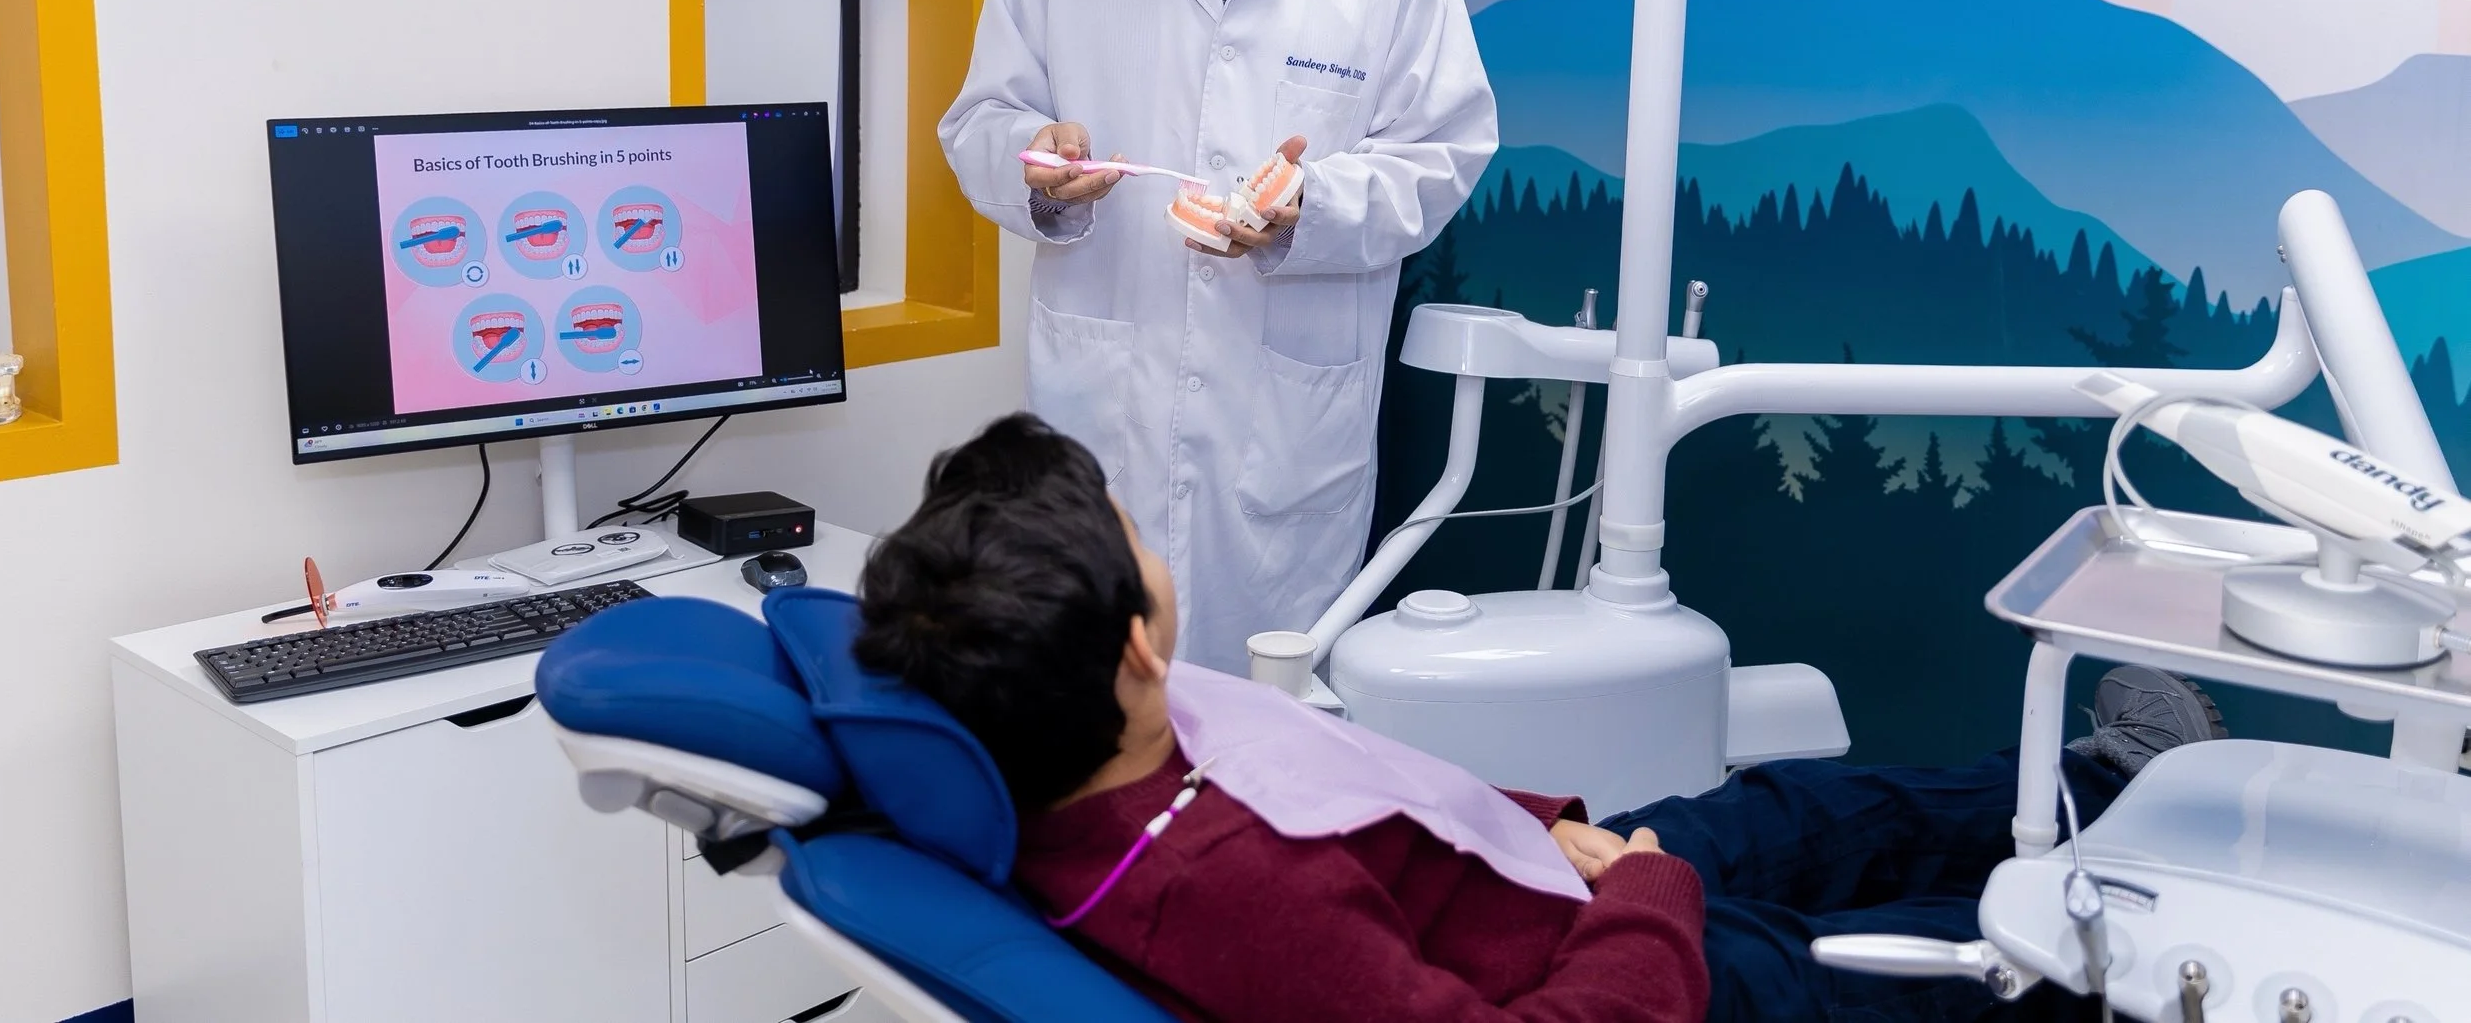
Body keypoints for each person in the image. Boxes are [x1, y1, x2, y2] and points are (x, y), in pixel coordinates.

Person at [856, 415, 2227, 1023]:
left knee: (1789, 810)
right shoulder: (1233, 901)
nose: (1154, 545)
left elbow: (1356, 794)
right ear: (1137, 647)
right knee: (1949, 959)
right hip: (1637, 979)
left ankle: (2104, 778)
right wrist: (1645, 900)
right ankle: (2185, 927)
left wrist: (1548, 829)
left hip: (1541, 886)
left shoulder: (1086, 736)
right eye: (1136, 534)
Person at [938, 0, 1497, 671]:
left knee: (1268, 722)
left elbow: (1441, 156)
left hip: (1284, 446)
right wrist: (1040, 168)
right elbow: (979, 121)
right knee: (1092, 706)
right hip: (1106, 412)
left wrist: (1309, 208)